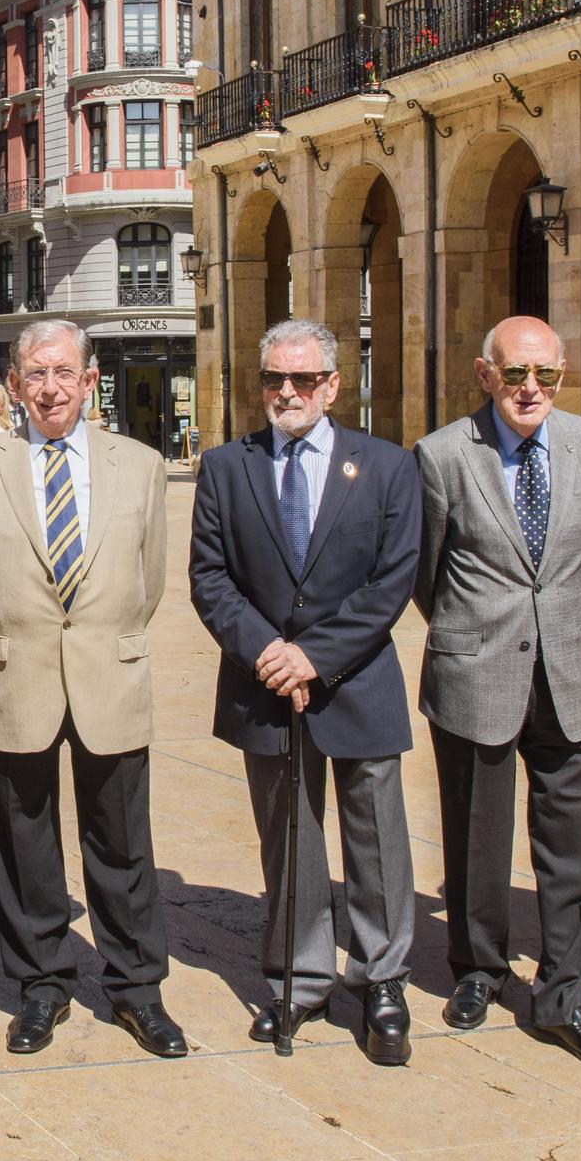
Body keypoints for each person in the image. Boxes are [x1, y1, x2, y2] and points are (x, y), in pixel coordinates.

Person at [188, 319, 420, 1064]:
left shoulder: (385, 466)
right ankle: (301, 973)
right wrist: (268, 652)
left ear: (332, 384)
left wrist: (314, 656)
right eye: (273, 380)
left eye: (303, 380)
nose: (286, 393)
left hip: (356, 680)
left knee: (376, 837)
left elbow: (394, 580)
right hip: (265, 684)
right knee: (289, 836)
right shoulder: (228, 465)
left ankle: (383, 977)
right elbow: (210, 576)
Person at [0, 319, 182, 1059]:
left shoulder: (141, 464)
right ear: (14, 386)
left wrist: (100, 635)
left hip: (108, 677)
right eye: (34, 374)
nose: (49, 387)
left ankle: (137, 987)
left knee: (122, 842)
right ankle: (41, 982)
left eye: (63, 372)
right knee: (23, 843)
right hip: (15, 677)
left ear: (90, 381)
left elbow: (148, 578)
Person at [413, 316, 581, 1071]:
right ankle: (478, 969)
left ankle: (564, 990)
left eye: (547, 374)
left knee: (569, 844)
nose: (531, 388)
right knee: (476, 834)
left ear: (563, 374)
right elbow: (425, 571)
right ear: (485, 374)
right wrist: (478, 630)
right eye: (515, 375)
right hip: (476, 670)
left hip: (569, 671)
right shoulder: (442, 455)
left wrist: (551, 617)